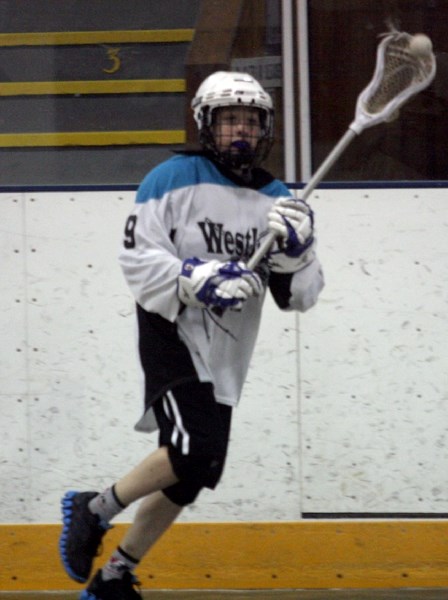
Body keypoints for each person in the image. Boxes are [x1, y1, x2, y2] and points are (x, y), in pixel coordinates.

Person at [59, 71, 324, 600]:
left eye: (250, 120)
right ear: (207, 124)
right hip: (173, 330)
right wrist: (195, 277)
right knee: (190, 449)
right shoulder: (172, 178)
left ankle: (114, 576)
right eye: (230, 121)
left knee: (196, 472)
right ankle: (95, 507)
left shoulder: (277, 197)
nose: (241, 131)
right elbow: (137, 259)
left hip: (228, 349)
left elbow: (299, 296)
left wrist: (297, 253)